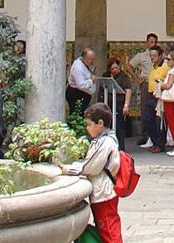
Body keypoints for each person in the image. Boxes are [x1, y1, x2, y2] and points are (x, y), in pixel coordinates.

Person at [65, 103, 122, 243]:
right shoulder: (105, 139)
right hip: (104, 191)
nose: (87, 128)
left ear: (100, 123)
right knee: (106, 227)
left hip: (104, 192)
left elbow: (92, 166)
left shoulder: (105, 141)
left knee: (108, 229)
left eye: (89, 124)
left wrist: (70, 169)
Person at [128, 33, 159, 145]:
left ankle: (156, 136)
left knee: (157, 110)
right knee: (145, 110)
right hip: (146, 83)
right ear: (147, 43)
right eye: (151, 42)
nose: (153, 44)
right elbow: (129, 65)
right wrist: (136, 78)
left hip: (157, 83)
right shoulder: (142, 56)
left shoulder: (160, 55)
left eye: (155, 42)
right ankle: (144, 135)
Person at [103, 58, 134, 148]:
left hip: (119, 105)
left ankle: (120, 148)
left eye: (116, 68)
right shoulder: (106, 76)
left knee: (119, 127)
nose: (115, 70)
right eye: (112, 69)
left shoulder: (124, 77)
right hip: (108, 105)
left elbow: (128, 90)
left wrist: (126, 105)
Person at [143, 45, 168, 152]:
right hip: (150, 95)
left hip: (160, 96)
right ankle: (154, 142)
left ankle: (160, 145)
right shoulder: (153, 67)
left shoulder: (165, 67)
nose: (152, 58)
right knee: (148, 119)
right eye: (151, 55)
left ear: (161, 56)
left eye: (154, 56)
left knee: (159, 122)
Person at [67, 47, 97, 114]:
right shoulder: (78, 67)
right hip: (77, 95)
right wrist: (91, 80)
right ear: (84, 58)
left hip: (83, 95)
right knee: (76, 116)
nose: (92, 62)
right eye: (90, 59)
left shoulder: (85, 65)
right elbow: (81, 85)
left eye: (93, 59)